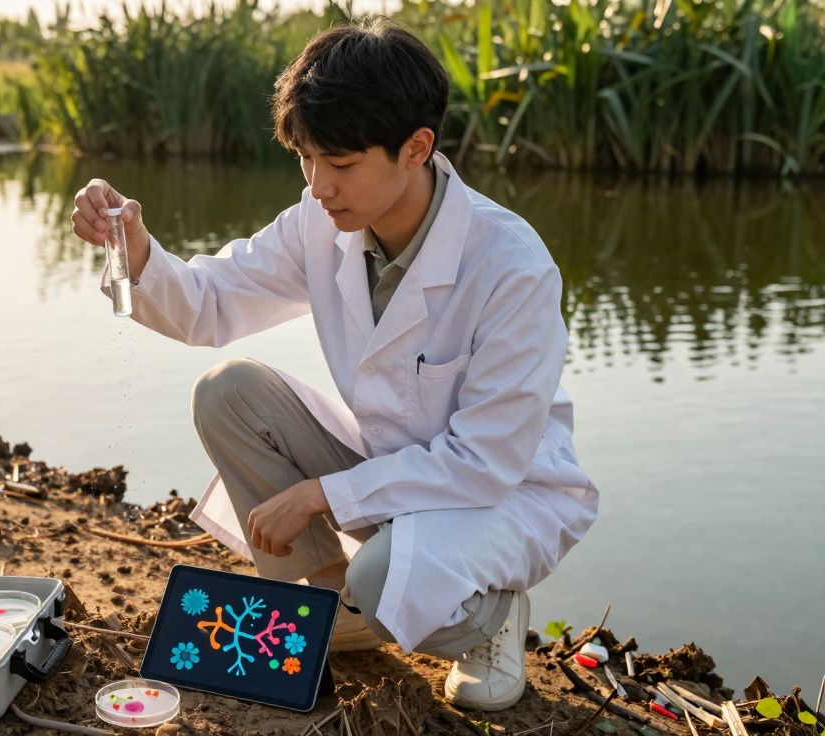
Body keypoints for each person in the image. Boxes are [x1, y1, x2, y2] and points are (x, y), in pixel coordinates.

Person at [69, 19, 597, 712]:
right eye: (306, 159)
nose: (319, 186)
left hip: (499, 495)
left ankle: (487, 618)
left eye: (340, 164)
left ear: (416, 148)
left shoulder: (511, 267)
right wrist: (132, 248)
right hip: (394, 463)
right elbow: (210, 303)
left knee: (382, 578)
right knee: (229, 393)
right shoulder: (323, 222)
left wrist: (320, 494)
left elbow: (484, 462)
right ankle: (323, 601)